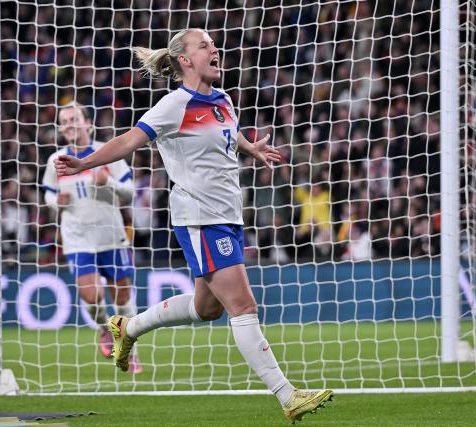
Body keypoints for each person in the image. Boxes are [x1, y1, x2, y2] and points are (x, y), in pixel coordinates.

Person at [54, 29, 333, 422]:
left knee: (207, 309)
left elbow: (226, 133)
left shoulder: (224, 100)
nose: (214, 49)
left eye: (213, 44)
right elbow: (130, 140)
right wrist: (85, 163)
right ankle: (288, 396)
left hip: (228, 215)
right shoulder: (173, 105)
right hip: (200, 218)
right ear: (185, 60)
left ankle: (128, 327)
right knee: (243, 304)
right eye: (204, 45)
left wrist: (248, 146)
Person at [43, 102, 142, 372]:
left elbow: (130, 191)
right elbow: (48, 193)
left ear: (88, 123)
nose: (69, 124)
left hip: (111, 235)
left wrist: (107, 182)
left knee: (122, 298)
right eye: (64, 121)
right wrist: (56, 202)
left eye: (75, 118)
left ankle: (129, 349)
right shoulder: (56, 160)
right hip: (77, 238)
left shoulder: (107, 153)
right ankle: (104, 329)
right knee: (91, 295)